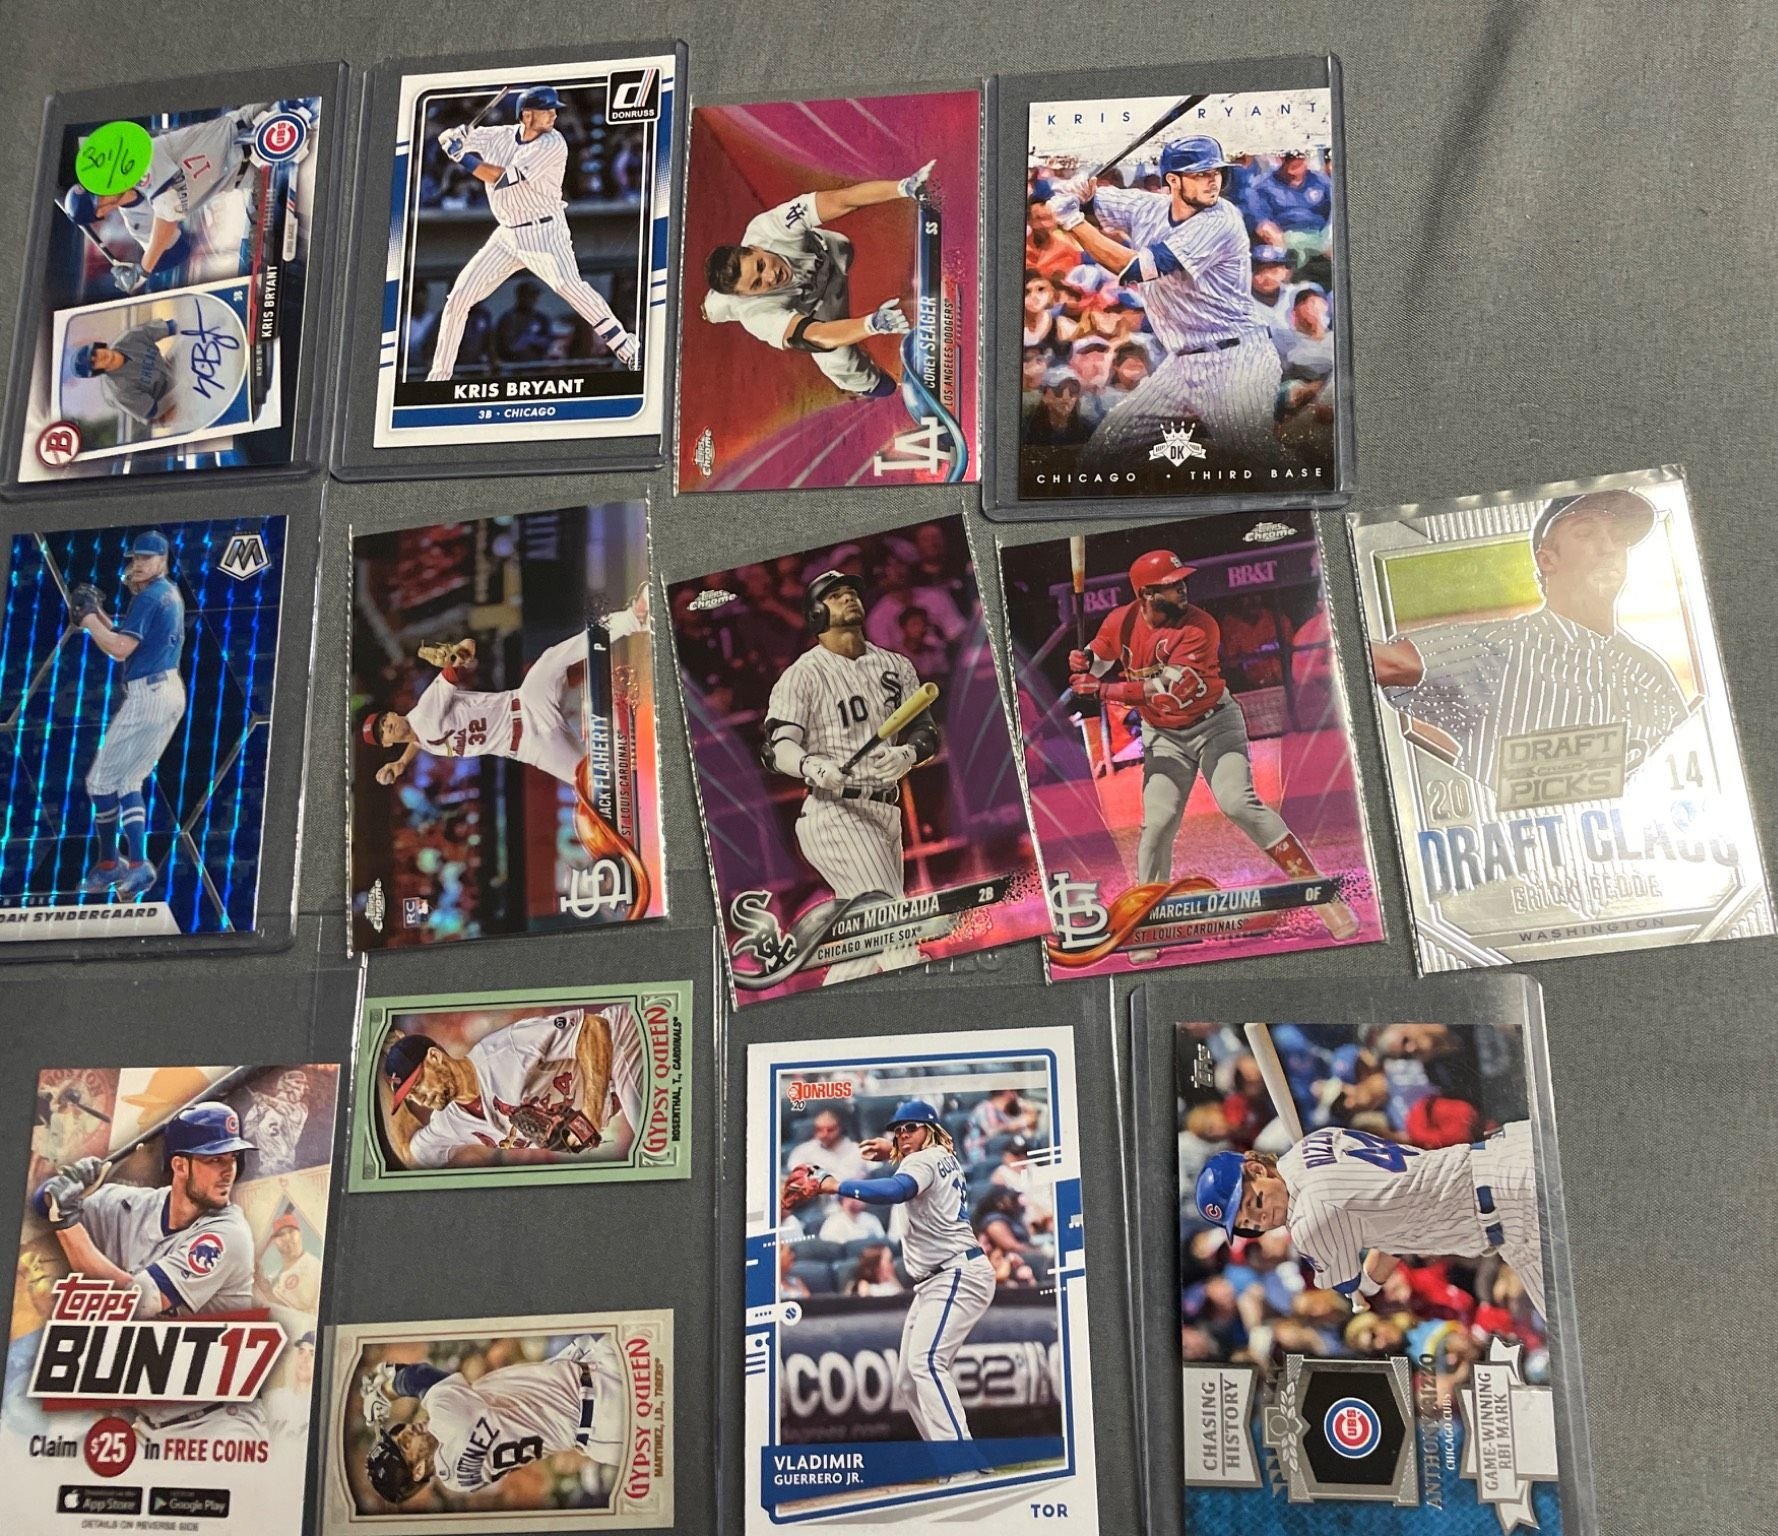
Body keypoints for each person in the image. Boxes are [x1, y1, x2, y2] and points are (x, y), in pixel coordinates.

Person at [1071, 549, 1360, 953]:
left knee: (1238, 803)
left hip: (1214, 725)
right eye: (1172, 585)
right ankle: (1148, 923)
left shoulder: (1200, 627)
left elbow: (1165, 688)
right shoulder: (1120, 621)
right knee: (1158, 824)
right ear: (1147, 594)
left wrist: (1100, 689)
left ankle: (1323, 895)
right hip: (1163, 735)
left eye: (1182, 582)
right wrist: (1084, 660)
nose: (1183, 589)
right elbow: (1099, 658)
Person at [1368, 488, 1687, 790]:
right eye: (1586, 533)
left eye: (1618, 537)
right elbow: (1385, 662)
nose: (1609, 548)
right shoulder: (1497, 649)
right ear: (1547, 560)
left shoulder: (1650, 672)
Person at [359, 587, 649, 868]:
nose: (388, 727)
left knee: (552, 660)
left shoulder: (424, 713)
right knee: (588, 779)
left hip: (526, 703)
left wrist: (455, 656)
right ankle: (636, 815)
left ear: (391, 714)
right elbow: (420, 738)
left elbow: (459, 663)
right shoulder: (418, 730)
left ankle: (633, 618)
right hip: (530, 745)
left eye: (385, 721)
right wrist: (401, 762)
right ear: (388, 743)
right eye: (383, 733)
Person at [1044, 137, 1281, 469]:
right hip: (1181, 365)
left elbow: (1134, 268)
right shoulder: (1148, 208)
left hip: (1237, 359)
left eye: (1215, 172)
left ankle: (1308, 498)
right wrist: (1073, 190)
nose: (1213, 180)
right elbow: (1089, 199)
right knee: (1103, 454)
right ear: (1173, 180)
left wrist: (1073, 221)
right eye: (1200, 174)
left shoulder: (1221, 219)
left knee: (1253, 459)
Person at [760, 570, 941, 983]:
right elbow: (776, 748)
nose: (848, 598)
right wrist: (811, 765)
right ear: (816, 613)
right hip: (834, 811)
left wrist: (908, 753)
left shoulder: (895, 665)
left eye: (852, 592)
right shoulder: (802, 674)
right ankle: (927, 999)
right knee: (892, 923)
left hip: (885, 808)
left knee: (866, 943)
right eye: (836, 595)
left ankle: (829, 1009)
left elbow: (926, 731)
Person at [784, 1101, 996, 1446]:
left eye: (911, 1128)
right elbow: (919, 1167)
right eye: (898, 1130)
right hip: (944, 1276)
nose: (903, 1134)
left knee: (926, 1362)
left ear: (931, 1130)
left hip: (955, 1273)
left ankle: (963, 1460)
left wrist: (835, 1184)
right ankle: (947, 1458)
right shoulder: (942, 1155)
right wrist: (895, 1152)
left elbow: (896, 1190)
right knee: (908, 1380)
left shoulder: (923, 1160)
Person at [1195, 1119, 1547, 1320]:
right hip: (1504, 1163)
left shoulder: (1306, 1222)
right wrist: (1369, 1285)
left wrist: (1357, 1291)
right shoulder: (1315, 1142)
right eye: (1251, 1224)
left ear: (1257, 1169)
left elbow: (1341, 1285)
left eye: (1255, 1202)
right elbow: (1392, 1231)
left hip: (1515, 1201)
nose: (1262, 1219)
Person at [426, 87, 638, 381]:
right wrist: (454, 136)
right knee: (459, 297)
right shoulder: (500, 136)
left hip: (545, 232)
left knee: (568, 286)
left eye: (554, 109)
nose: (553, 114)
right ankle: (439, 377)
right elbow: (449, 137)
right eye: (546, 110)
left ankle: (627, 347)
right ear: (527, 115)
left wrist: (462, 157)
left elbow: (502, 178)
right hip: (508, 235)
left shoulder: (553, 144)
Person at [699, 163, 933, 399]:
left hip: (831, 253)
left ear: (755, 247)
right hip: (818, 311)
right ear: (747, 295)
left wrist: (903, 187)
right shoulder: (756, 314)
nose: (771, 276)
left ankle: (716, 304)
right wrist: (872, 324)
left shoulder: (770, 228)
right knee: (843, 363)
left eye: (761, 265)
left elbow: (843, 199)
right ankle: (715, 307)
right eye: (757, 284)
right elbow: (815, 334)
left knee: (844, 245)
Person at [30, 1101, 255, 1316]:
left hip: (207, 1344)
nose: (229, 1171)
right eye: (215, 1160)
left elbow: (137, 1302)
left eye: (233, 1158)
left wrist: (67, 1223)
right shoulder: (132, 1206)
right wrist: (70, 1182)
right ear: (180, 1166)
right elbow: (44, 1203)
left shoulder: (230, 1235)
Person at [364, 1333, 626, 1504]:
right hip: (604, 1404)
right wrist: (384, 1389)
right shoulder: (451, 1440)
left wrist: (388, 1375)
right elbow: (419, 1378)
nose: (408, 1430)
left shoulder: (456, 1476)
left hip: (594, 1402)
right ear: (419, 1470)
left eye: (399, 1432)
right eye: (404, 1444)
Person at [58, 100, 290, 291]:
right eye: (98, 197)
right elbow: (177, 252)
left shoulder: (136, 161)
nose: (103, 189)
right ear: (101, 212)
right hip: (251, 174)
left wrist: (144, 270)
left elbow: (168, 209)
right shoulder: (135, 222)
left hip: (252, 126)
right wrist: (138, 267)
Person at [380, 1005, 639, 1169]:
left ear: (435, 1057)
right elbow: (410, 1154)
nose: (420, 1098)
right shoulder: (449, 1124)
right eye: (411, 1095)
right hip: (615, 1092)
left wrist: (590, 1115)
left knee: (654, 1144)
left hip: (624, 1042)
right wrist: (374, 1064)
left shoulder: (505, 1051)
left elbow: (593, 1029)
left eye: (418, 1084)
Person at [72, 531, 186, 898]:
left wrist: (89, 621)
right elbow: (129, 636)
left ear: (162, 560)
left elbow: (120, 648)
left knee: (100, 782)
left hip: (148, 696)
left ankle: (111, 865)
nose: (138, 564)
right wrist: (99, 615)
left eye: (146, 558)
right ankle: (137, 866)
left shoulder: (150, 596)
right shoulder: (166, 591)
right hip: (168, 689)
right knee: (129, 780)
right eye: (135, 557)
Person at [72, 321, 180, 427]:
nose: (100, 357)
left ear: (97, 347)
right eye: (93, 362)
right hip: (160, 406)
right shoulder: (119, 391)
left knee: (186, 338)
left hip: (166, 370)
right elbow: (153, 411)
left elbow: (173, 326)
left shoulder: (130, 336)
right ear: (95, 371)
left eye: (95, 353)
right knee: (186, 393)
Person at [1242, 150, 1333, 263]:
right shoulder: (1262, 186)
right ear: (1279, 157)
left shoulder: (1322, 182)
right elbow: (1264, 226)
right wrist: (1287, 245)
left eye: (1299, 156)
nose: (1294, 161)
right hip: (1284, 244)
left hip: (1321, 241)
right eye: (1288, 157)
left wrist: (1326, 243)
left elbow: (1336, 215)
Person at [786, 1108, 868, 1182]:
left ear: (840, 1129)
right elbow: (795, 1175)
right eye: (819, 1130)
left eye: (830, 1130)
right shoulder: (803, 1151)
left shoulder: (858, 1150)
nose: (824, 1134)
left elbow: (873, 1173)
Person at [1024, 364, 1095, 447]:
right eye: (1059, 391)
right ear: (1045, 395)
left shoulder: (1087, 429)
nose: (1066, 398)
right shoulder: (1027, 428)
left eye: (1073, 391)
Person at [492, 280, 554, 364]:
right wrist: (523, 342)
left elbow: (549, 340)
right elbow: (506, 346)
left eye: (535, 295)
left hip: (537, 365)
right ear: (520, 296)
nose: (533, 299)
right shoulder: (508, 318)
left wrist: (534, 341)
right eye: (529, 295)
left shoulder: (541, 318)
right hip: (514, 365)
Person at [1023, 194, 1081, 281]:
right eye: (1039, 218)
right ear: (1029, 222)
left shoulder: (1066, 247)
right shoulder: (1025, 250)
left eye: (1048, 217)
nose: (1047, 224)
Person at [820, 1195, 886, 1245]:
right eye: (851, 1197)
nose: (856, 1200)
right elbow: (830, 1249)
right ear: (842, 1201)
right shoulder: (833, 1222)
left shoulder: (871, 1219)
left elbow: (883, 1242)